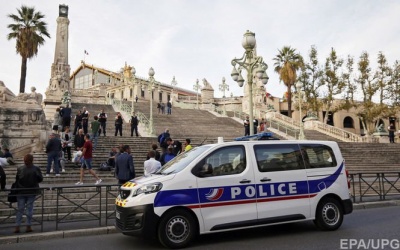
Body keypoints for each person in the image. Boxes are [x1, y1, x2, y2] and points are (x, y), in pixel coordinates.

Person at [14, 154, 43, 233]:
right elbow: (40, 179)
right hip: (31, 191)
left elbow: (17, 179)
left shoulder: (20, 168)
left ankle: (17, 226)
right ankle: (28, 226)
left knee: (20, 209)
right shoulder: (36, 169)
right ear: (32, 160)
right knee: (29, 209)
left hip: (20, 191)